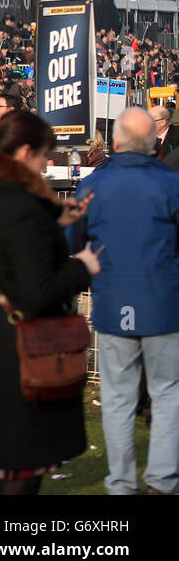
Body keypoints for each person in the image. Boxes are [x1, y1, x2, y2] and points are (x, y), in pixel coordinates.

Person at [0, 111, 98, 495]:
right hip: (27, 356)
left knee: (5, 468)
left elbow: (5, 256)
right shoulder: (23, 208)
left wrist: (53, 221)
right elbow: (38, 291)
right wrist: (82, 268)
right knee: (22, 471)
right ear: (23, 152)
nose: (46, 164)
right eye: (42, 155)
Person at [70, 106, 179, 495]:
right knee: (167, 393)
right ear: (152, 144)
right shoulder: (170, 182)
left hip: (116, 301)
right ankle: (162, 480)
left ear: (115, 142)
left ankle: (122, 483)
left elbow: (71, 240)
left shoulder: (93, 185)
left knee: (119, 397)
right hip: (162, 302)